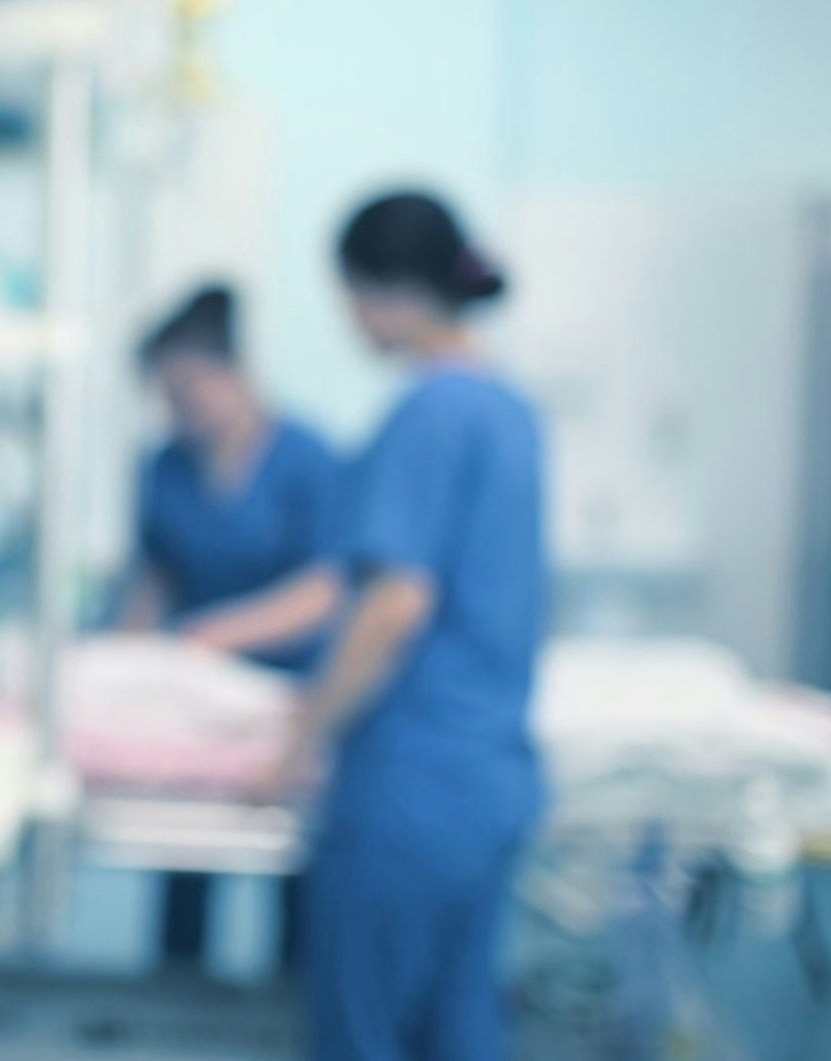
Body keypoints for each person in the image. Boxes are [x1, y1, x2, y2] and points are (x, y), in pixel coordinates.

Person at [268, 191, 545, 1060]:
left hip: (409, 784)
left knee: (364, 1034)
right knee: (457, 1031)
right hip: (489, 778)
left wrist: (298, 739)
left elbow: (392, 603)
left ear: (381, 290)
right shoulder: (508, 407)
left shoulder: (428, 411)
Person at [121, 283, 345, 673]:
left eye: (188, 390)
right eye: (168, 396)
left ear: (236, 372)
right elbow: (154, 580)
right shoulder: (165, 467)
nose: (178, 408)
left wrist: (216, 636)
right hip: (195, 679)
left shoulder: (307, 460)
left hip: (289, 680)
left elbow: (328, 589)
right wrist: (125, 658)